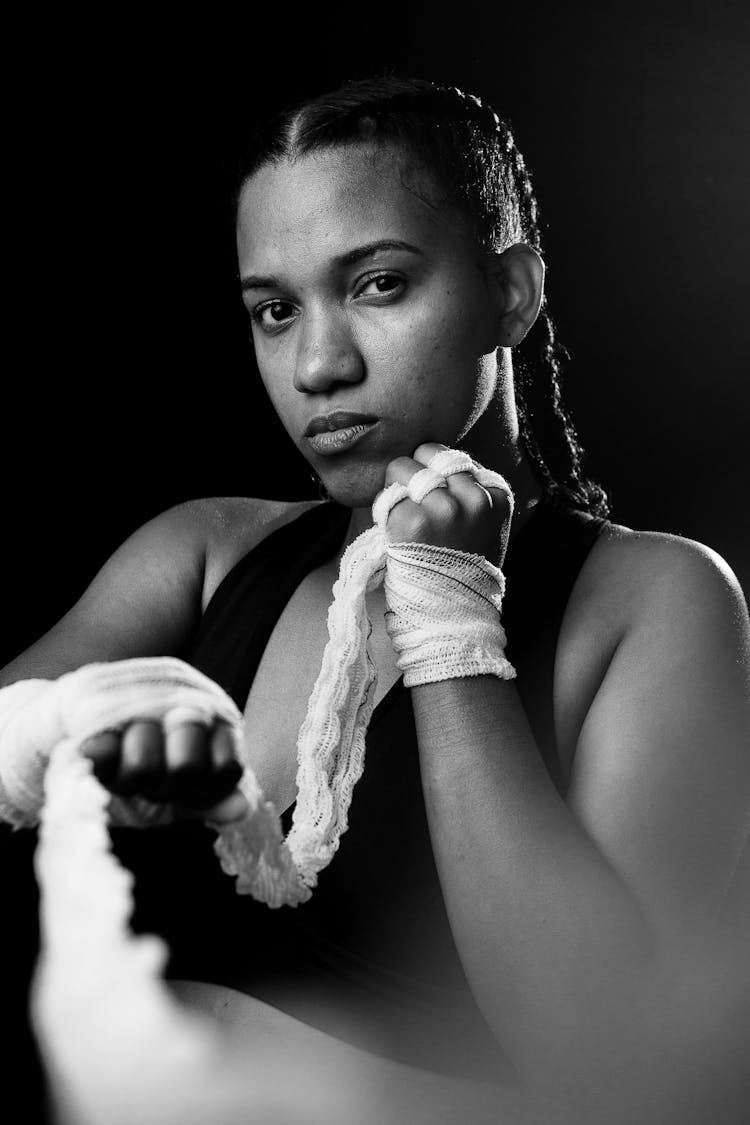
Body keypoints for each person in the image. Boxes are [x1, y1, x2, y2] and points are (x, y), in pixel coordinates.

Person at [2, 76, 749, 1125]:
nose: (318, 363)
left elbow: (621, 1072)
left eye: (381, 285)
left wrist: (450, 620)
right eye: (275, 310)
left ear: (513, 291)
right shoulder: (205, 554)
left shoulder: (652, 600)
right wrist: (58, 729)